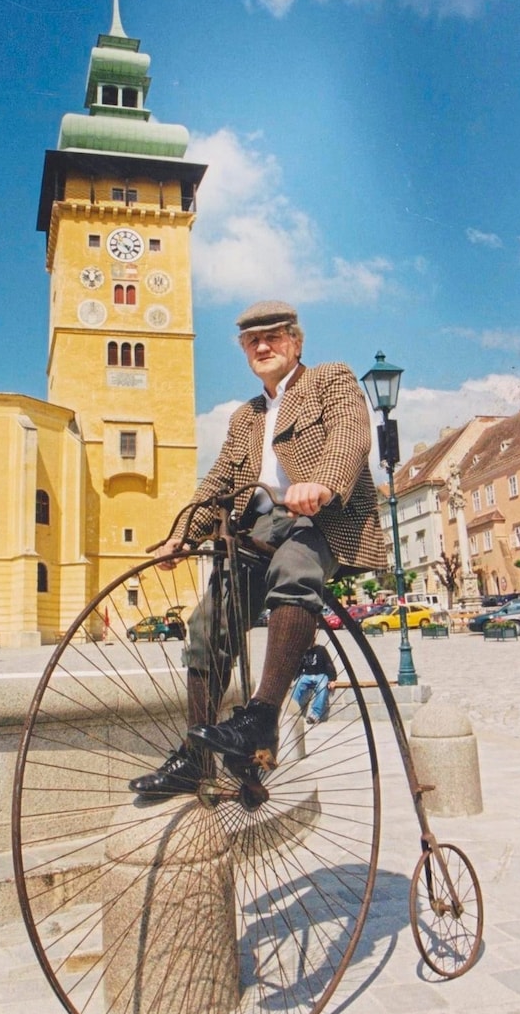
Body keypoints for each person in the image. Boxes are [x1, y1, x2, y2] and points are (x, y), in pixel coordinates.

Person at [129, 299, 386, 797]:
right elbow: (219, 480)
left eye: (274, 336)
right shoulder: (245, 416)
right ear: (245, 351)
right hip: (260, 528)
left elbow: (350, 438)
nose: (263, 346)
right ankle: (196, 759)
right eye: (253, 340)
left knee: (296, 568)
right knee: (206, 623)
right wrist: (185, 532)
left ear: (296, 341)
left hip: (323, 519)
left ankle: (261, 719)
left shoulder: (330, 380)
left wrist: (323, 485)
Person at [291, 642, 337, 725]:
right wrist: (295, 677)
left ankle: (315, 715)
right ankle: (291, 710)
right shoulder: (303, 650)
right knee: (297, 685)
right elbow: (299, 665)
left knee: (322, 688)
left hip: (321, 674)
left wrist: (332, 679)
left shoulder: (321, 649)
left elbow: (328, 663)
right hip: (307, 675)